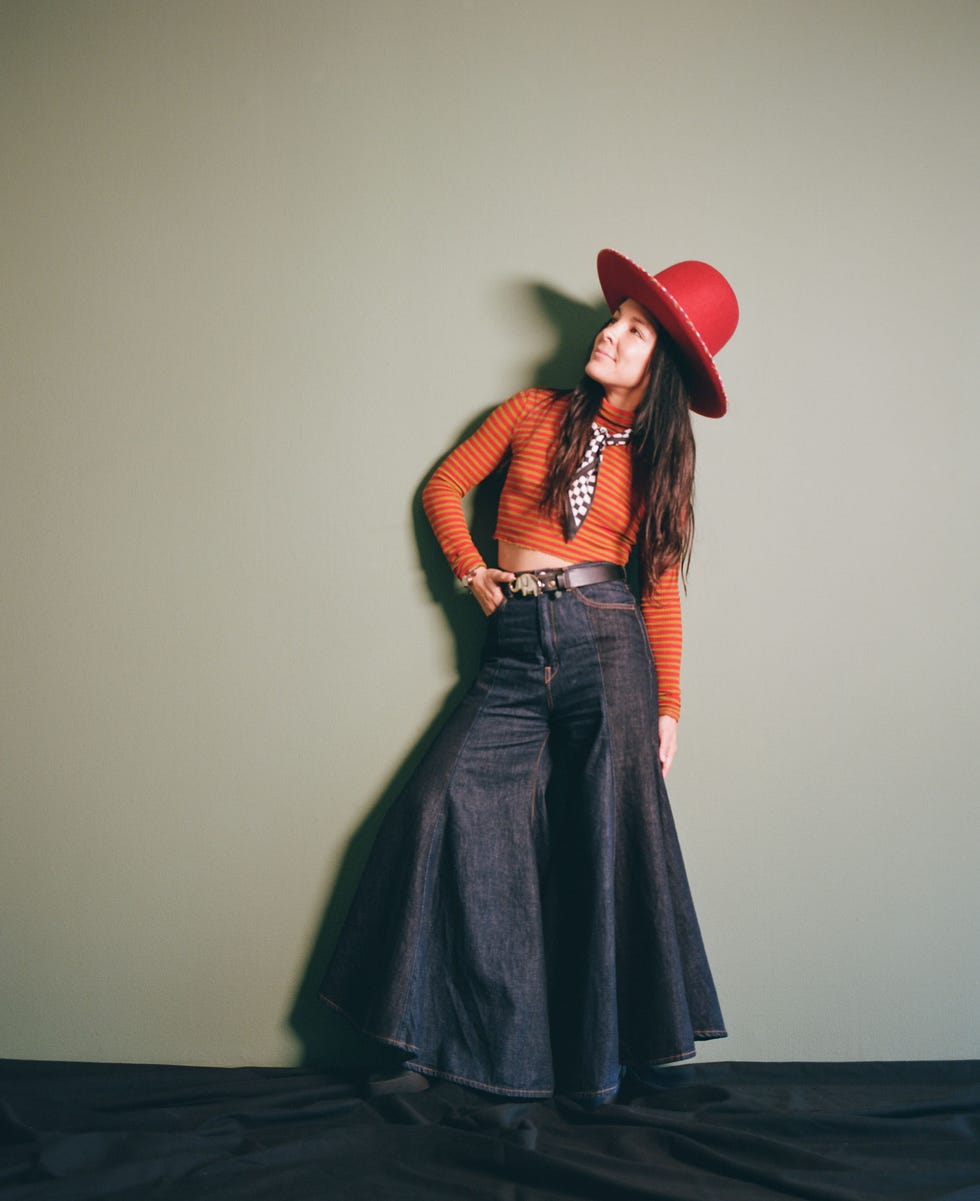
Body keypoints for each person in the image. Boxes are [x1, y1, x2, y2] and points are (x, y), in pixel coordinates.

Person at [319, 249, 739, 1104]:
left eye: (634, 331)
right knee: (438, 805)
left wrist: (669, 702)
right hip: (516, 640)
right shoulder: (531, 411)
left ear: (659, 366)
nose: (610, 334)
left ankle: (595, 1067)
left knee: (600, 843)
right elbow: (444, 487)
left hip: (610, 643)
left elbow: (657, 587)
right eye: (613, 319)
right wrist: (476, 575)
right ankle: (416, 1043)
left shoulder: (660, 461)